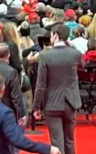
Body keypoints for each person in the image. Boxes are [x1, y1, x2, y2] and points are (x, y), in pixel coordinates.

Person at [33, 24, 84, 154]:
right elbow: (83, 65)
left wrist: (36, 106)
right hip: (71, 101)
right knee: (70, 140)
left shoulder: (44, 55)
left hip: (52, 103)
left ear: (55, 35)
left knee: (56, 141)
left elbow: (41, 84)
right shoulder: (75, 53)